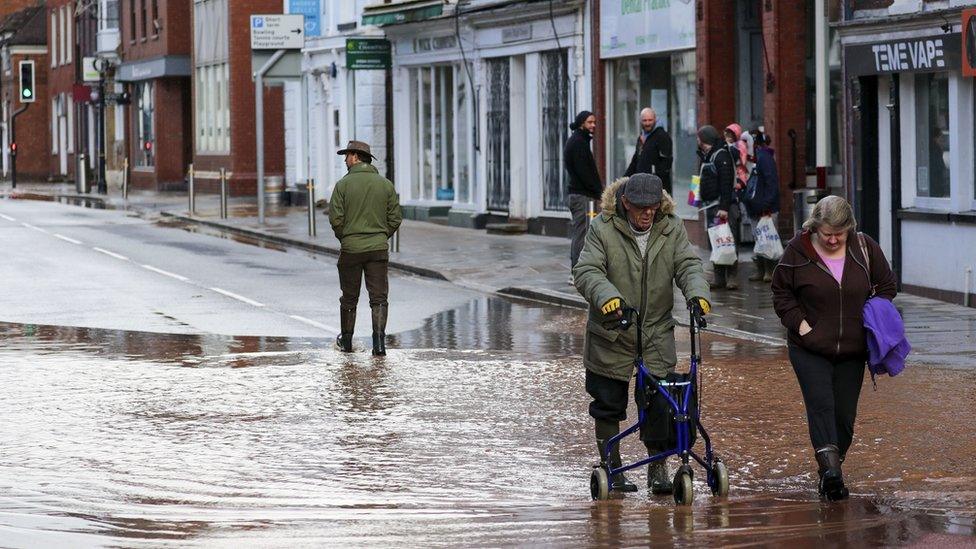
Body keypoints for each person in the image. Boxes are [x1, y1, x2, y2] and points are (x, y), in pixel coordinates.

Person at [573, 173, 711, 496]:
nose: (647, 214)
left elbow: (688, 264)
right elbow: (586, 270)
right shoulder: (602, 228)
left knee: (662, 403)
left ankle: (658, 466)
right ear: (625, 203)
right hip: (613, 329)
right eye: (640, 208)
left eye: (653, 207)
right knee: (607, 401)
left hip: (655, 330)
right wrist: (607, 297)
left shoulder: (671, 226)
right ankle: (612, 465)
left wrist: (697, 292)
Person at [771, 195, 897, 501]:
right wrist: (802, 326)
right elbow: (781, 293)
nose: (832, 239)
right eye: (826, 233)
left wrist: (870, 317)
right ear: (815, 227)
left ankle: (831, 468)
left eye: (839, 234)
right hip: (808, 347)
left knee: (844, 417)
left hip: (853, 350)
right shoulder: (797, 251)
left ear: (849, 229)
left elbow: (887, 286)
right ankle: (831, 474)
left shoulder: (864, 248)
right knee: (822, 405)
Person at [329, 140, 402, 356]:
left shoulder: (342, 185)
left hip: (351, 250)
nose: (345, 159)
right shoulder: (386, 185)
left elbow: (336, 219)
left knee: (349, 297)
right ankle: (379, 345)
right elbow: (395, 218)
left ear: (356, 157)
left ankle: (347, 343)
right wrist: (380, 236)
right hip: (378, 249)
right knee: (379, 297)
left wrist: (347, 238)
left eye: (347, 155)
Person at [696, 125, 740, 290]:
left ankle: (732, 277)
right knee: (716, 241)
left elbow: (726, 182)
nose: (697, 140)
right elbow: (701, 178)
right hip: (711, 206)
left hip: (722, 206)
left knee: (728, 240)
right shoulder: (707, 155)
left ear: (704, 139)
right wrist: (696, 199)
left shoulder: (721, 156)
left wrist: (724, 207)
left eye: (699, 137)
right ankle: (719, 277)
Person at [564, 111, 604, 270]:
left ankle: (583, 269)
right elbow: (584, 173)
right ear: (582, 123)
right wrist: (598, 191)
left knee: (585, 233)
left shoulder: (579, 140)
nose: (593, 125)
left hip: (582, 194)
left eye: (594, 122)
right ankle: (577, 271)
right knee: (581, 234)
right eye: (589, 122)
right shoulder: (579, 142)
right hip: (582, 196)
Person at [744, 128, 781, 283]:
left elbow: (771, 183)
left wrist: (767, 204)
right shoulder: (752, 159)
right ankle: (761, 270)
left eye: (746, 143)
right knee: (759, 239)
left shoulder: (764, 158)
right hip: (755, 208)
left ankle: (770, 270)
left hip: (765, 208)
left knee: (767, 239)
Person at [624, 107, 674, 195]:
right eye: (644, 120)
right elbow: (635, 161)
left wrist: (655, 181)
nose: (647, 123)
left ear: (655, 119)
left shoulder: (662, 136)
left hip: (657, 188)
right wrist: (623, 180)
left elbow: (666, 163)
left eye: (650, 120)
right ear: (640, 121)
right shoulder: (641, 138)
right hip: (641, 187)